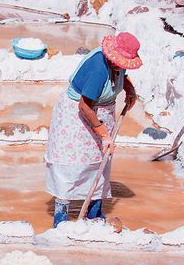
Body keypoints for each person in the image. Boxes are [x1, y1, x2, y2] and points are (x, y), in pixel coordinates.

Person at [45, 32, 142, 228]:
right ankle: (61, 220)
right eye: (119, 63)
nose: (120, 66)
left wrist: (129, 89)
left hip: (101, 113)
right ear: (112, 56)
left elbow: (123, 74)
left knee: (101, 161)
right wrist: (103, 134)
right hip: (77, 117)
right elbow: (84, 106)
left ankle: (94, 213)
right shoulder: (98, 68)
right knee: (70, 166)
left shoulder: (117, 63)